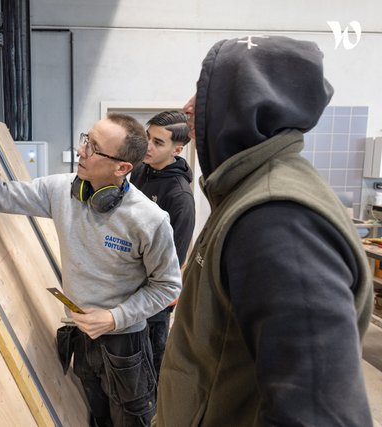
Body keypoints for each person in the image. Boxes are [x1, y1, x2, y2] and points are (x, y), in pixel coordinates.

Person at [153, 35, 374, 426]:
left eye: (204, 96)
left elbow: (319, 417)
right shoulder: (246, 194)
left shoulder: (277, 220)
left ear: (243, 106)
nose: (189, 109)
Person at [0, 112, 182, 427]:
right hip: (82, 338)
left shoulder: (149, 219)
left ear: (122, 168)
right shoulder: (61, 190)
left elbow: (167, 287)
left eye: (94, 148)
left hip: (126, 347)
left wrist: (114, 318)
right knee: (97, 419)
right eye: (87, 140)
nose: (81, 151)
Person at [130, 111, 195, 377]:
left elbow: (171, 264)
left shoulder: (179, 196)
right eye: (148, 137)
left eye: (158, 142)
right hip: (128, 290)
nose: (148, 146)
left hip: (154, 303)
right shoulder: (139, 172)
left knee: (149, 376)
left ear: (177, 149)